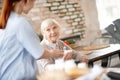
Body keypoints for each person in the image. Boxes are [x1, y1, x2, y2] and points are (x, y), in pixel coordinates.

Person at [0, 0, 72, 80]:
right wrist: (55, 53)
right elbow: (39, 53)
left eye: (54, 28)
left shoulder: (7, 22)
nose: (33, 5)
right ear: (25, 1)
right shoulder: (20, 23)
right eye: (33, 1)